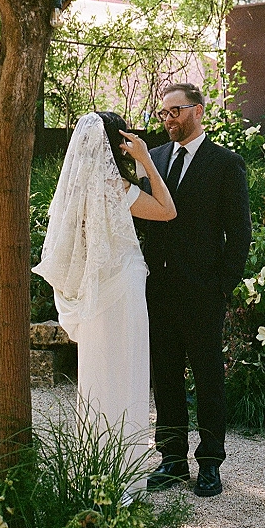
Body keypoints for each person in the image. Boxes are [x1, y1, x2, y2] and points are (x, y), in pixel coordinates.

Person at [32, 111, 176, 498]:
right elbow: (167, 209)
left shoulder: (75, 194)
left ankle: (95, 471)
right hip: (122, 293)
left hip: (95, 296)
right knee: (126, 374)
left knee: (96, 380)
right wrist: (145, 159)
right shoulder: (114, 186)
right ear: (115, 143)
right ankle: (122, 475)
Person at [142, 83, 252, 497]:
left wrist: (222, 287)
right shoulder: (151, 160)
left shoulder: (226, 164)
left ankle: (210, 463)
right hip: (159, 291)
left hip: (204, 292)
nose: (168, 119)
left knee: (208, 379)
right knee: (165, 377)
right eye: (163, 113)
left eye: (175, 111)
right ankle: (171, 459)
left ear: (198, 112)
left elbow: (239, 233)